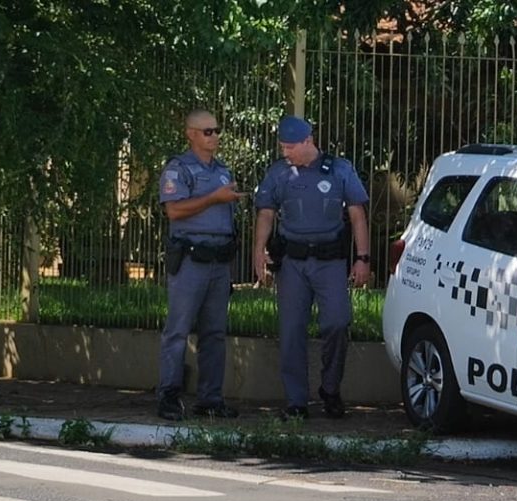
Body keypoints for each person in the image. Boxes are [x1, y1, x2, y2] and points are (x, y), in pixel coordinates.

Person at [252, 115, 370, 420]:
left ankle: (330, 389)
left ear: (308, 140)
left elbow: (357, 215)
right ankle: (296, 402)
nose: (285, 152)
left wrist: (363, 259)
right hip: (292, 263)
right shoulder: (279, 173)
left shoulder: (339, 169)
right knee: (291, 331)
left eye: (290, 146)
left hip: (330, 262)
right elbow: (266, 213)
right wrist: (258, 250)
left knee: (337, 323)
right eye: (282, 146)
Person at [156, 109, 242, 421]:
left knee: (215, 333)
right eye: (208, 131)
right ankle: (168, 395)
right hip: (191, 259)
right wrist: (214, 199)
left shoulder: (222, 170)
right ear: (191, 134)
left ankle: (210, 398)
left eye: (218, 130)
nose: (215, 136)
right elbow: (175, 211)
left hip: (219, 261)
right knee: (178, 331)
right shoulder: (178, 170)